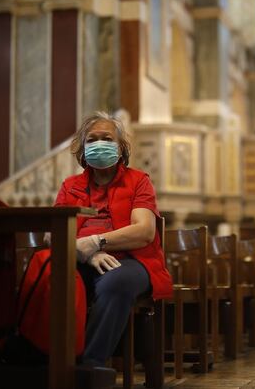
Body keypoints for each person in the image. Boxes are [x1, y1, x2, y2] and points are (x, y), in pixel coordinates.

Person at [53, 111, 173, 366]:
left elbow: (144, 232)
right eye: (92, 139)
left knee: (114, 283)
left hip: (133, 259)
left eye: (106, 138)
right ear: (83, 149)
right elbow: (55, 231)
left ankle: (90, 366)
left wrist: (96, 242)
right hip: (82, 259)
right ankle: (49, 359)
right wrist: (87, 253)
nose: (99, 144)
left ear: (120, 147)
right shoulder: (70, 185)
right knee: (54, 279)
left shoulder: (138, 181)